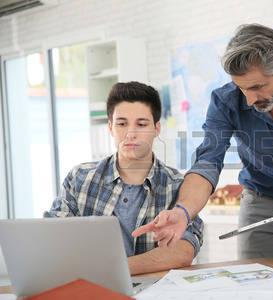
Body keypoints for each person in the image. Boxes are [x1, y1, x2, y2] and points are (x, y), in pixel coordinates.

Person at [133, 24, 273, 260]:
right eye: (242, 89)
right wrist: (182, 212)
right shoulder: (224, 101)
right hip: (260, 202)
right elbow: (208, 161)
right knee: (256, 284)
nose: (249, 100)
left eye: (257, 87)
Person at [45, 81, 203, 275]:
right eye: (122, 123)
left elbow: (184, 251)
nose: (130, 133)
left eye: (141, 124)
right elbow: (52, 238)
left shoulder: (178, 185)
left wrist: (111, 270)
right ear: (110, 127)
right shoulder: (79, 179)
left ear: (157, 128)